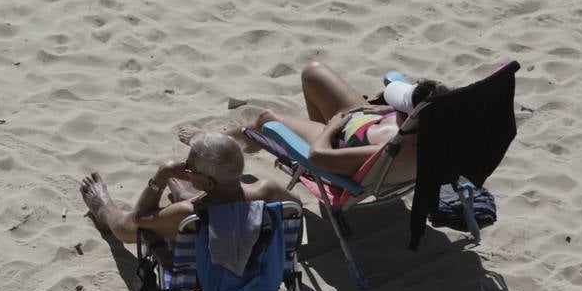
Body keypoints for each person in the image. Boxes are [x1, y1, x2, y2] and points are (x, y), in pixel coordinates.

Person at [181, 61, 448, 179]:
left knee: (266, 119)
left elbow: (319, 156)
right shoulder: (440, 129)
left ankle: (224, 140)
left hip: (335, 140)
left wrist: (331, 127)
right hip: (362, 121)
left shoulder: (388, 150)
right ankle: (265, 136)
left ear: (408, 116)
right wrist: (385, 109)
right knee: (313, 72)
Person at [79, 132, 296, 245]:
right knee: (186, 195)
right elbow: (295, 210)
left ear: (210, 183)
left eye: (189, 167)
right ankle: (187, 191)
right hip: (257, 278)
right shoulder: (269, 191)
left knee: (126, 227)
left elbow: (137, 220)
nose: (185, 168)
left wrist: (162, 174)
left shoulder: (187, 214)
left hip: (209, 281)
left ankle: (104, 211)